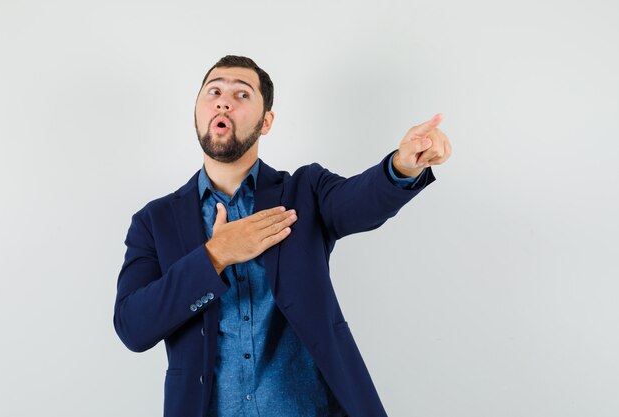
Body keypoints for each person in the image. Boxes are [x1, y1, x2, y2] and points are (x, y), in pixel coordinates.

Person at [113, 55, 452, 417]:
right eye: (213, 91)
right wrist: (215, 256)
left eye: (242, 94)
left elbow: (361, 201)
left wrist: (402, 166)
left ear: (266, 122)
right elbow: (133, 326)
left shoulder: (304, 191)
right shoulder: (155, 221)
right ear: (197, 112)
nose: (224, 100)